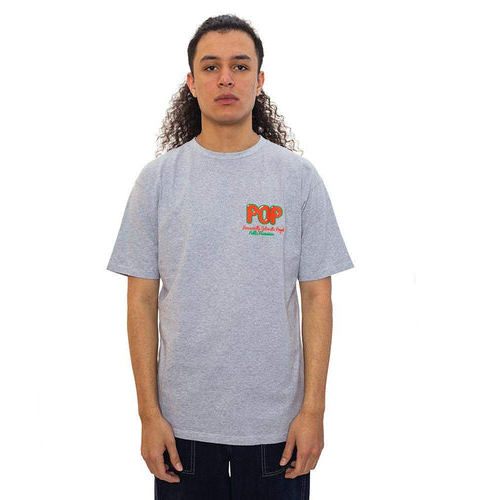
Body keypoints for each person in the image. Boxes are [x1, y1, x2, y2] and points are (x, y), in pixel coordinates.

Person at [106, 14, 354, 500]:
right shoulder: (158, 181)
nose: (225, 78)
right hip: (181, 430)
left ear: (259, 81)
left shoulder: (297, 178)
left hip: (277, 430)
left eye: (240, 66)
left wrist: (313, 411)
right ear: (191, 82)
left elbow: (317, 299)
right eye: (211, 66)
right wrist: (148, 416)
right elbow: (140, 301)